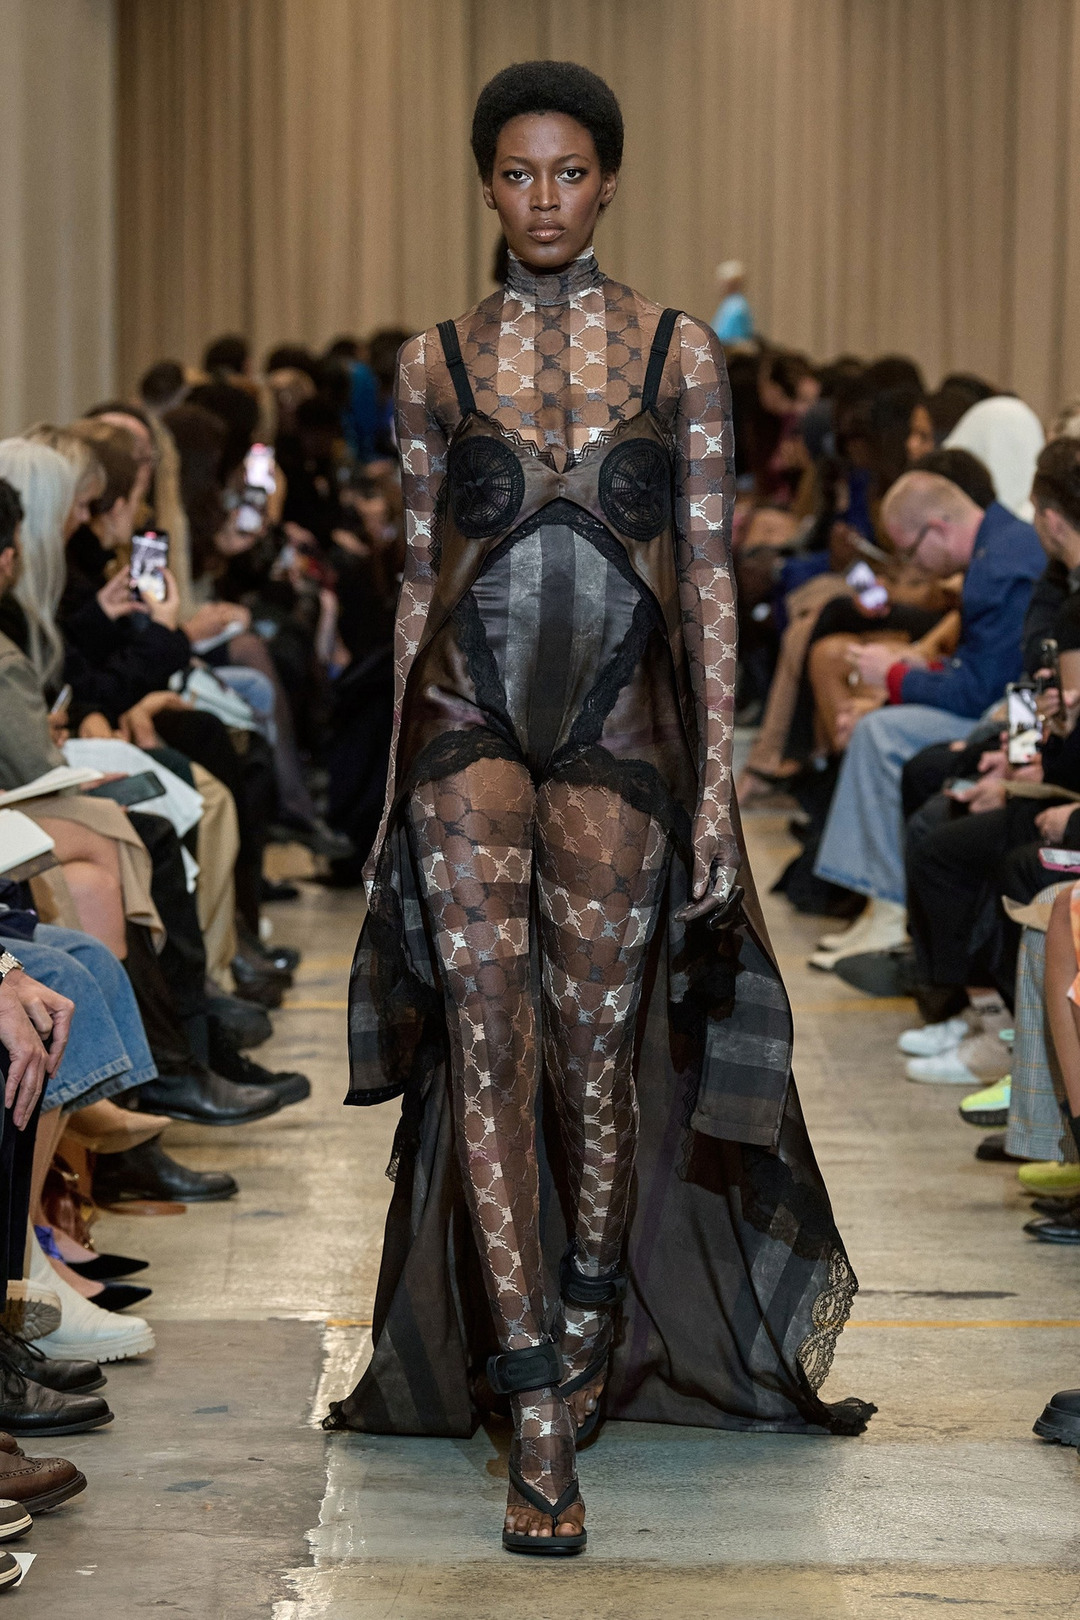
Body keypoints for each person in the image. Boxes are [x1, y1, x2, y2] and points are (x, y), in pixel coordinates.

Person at [324, 60, 872, 1557]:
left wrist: (720, 794)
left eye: (570, 172)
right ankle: (537, 1406)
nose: (545, 198)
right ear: (486, 185)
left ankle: (583, 1306)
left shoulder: (683, 354)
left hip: (624, 722)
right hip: (464, 715)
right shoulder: (433, 364)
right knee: (487, 1037)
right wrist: (386, 800)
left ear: (610, 181)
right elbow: (414, 585)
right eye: (519, 173)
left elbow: (710, 581)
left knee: (593, 1051)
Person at [812, 469, 1045, 956]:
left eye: (911, 552)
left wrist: (896, 677)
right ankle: (877, 902)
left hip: (1012, 715)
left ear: (937, 528)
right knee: (874, 721)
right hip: (1013, 706)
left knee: (878, 733)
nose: (914, 566)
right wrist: (915, 671)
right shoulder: (999, 547)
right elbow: (984, 668)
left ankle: (887, 904)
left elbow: (982, 690)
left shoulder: (999, 565)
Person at [711, 259, 754, 342]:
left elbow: (733, 339)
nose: (718, 285)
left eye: (722, 282)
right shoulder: (730, 303)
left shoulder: (736, 307)